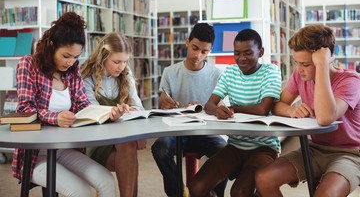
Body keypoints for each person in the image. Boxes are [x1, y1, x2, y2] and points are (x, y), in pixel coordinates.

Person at [12, 12, 117, 197]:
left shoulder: (72, 71)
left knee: (107, 180)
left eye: (76, 57)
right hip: (36, 155)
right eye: (66, 56)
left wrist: (107, 112)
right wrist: (55, 117)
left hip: (65, 149)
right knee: (80, 191)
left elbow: (83, 104)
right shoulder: (28, 65)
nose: (70, 62)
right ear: (51, 45)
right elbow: (25, 109)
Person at [255, 25, 360, 197]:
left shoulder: (351, 81)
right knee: (263, 177)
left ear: (326, 59)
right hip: (314, 149)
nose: (299, 69)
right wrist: (291, 110)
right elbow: (276, 105)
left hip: (349, 154)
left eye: (305, 64)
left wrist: (322, 67)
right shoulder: (300, 75)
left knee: (326, 194)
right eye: (297, 62)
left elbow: (325, 117)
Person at [188, 28, 282, 197]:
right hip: (235, 146)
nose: (241, 58)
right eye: (237, 53)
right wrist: (217, 110)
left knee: (239, 192)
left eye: (247, 53)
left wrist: (234, 108)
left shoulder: (271, 71)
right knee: (196, 186)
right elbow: (209, 104)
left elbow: (262, 109)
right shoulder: (230, 72)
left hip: (264, 148)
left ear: (260, 52)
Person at [151, 23, 227, 197]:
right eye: (194, 48)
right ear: (186, 42)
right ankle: (179, 193)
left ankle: (213, 192)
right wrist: (164, 101)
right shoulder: (170, 72)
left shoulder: (216, 75)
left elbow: (220, 107)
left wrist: (204, 107)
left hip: (207, 131)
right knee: (159, 148)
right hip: (178, 130)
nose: (197, 55)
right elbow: (163, 99)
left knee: (226, 152)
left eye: (204, 52)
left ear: (210, 51)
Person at [80, 32, 146, 197]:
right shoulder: (87, 77)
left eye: (124, 61)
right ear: (103, 58)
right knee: (127, 146)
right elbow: (91, 113)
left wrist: (132, 112)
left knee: (126, 144)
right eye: (116, 62)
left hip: (120, 143)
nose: (121, 67)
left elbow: (139, 107)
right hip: (95, 144)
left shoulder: (125, 75)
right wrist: (110, 115)